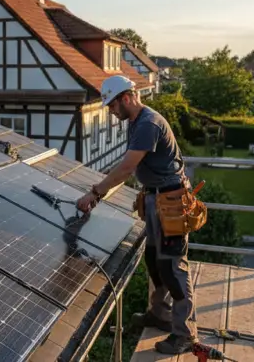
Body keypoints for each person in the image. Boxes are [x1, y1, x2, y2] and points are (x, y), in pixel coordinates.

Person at [76, 75, 198, 355]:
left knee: (173, 267)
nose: (110, 111)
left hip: (172, 202)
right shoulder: (136, 123)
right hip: (156, 199)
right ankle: (160, 314)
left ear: (127, 98)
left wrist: (95, 193)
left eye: (112, 105)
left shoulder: (148, 124)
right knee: (155, 262)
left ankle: (185, 333)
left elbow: (126, 168)